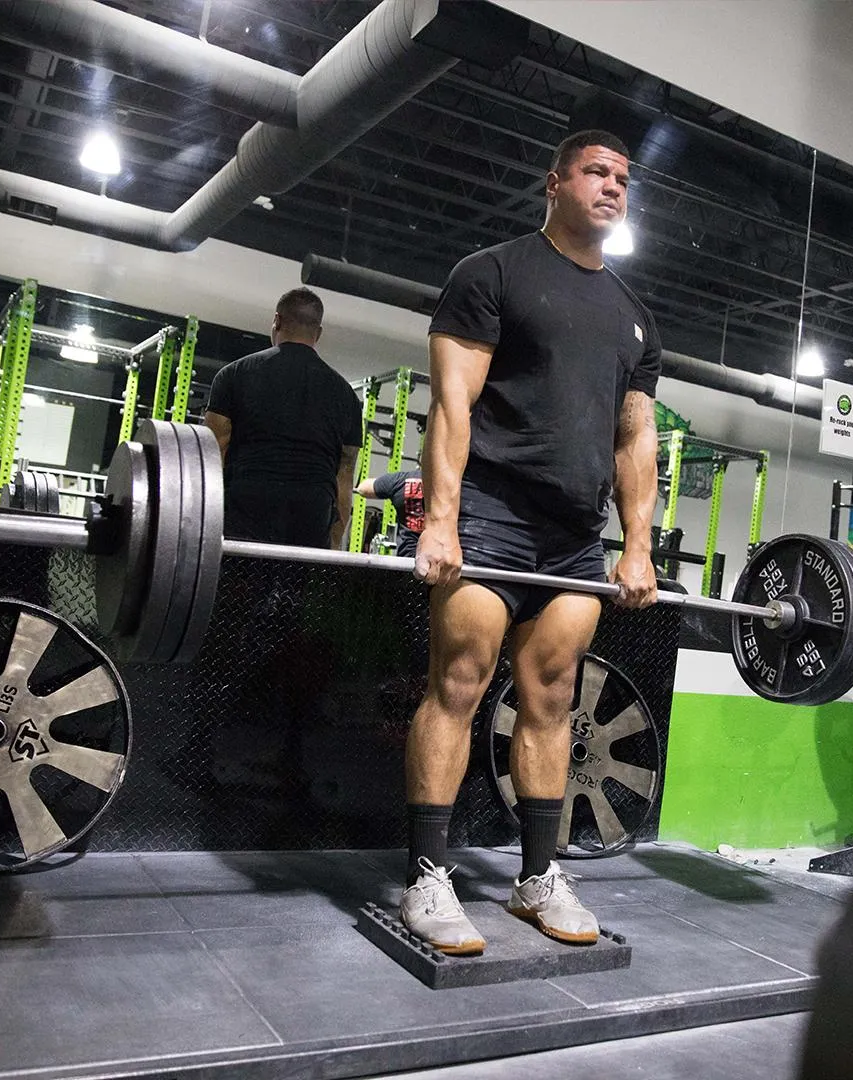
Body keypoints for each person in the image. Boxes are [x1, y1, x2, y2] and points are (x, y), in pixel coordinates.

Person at [399, 129, 661, 955]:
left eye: (622, 177)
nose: (613, 186)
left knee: (551, 698)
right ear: (555, 182)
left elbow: (635, 442)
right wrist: (441, 518)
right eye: (596, 171)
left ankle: (536, 877)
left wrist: (639, 546)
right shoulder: (492, 273)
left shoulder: (633, 317)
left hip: (575, 538)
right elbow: (452, 404)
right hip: (490, 516)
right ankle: (429, 879)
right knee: (462, 683)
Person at [203, 288, 362, 549]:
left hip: (245, 518)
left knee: (241, 591)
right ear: (318, 334)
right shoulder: (347, 397)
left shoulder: (233, 375)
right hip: (310, 522)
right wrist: (333, 546)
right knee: (294, 590)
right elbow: (344, 478)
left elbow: (212, 456)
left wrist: (207, 530)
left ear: (277, 321)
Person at [355, 469, 424, 556]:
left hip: (406, 560)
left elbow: (362, 488)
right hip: (439, 561)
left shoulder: (403, 480)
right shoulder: (445, 483)